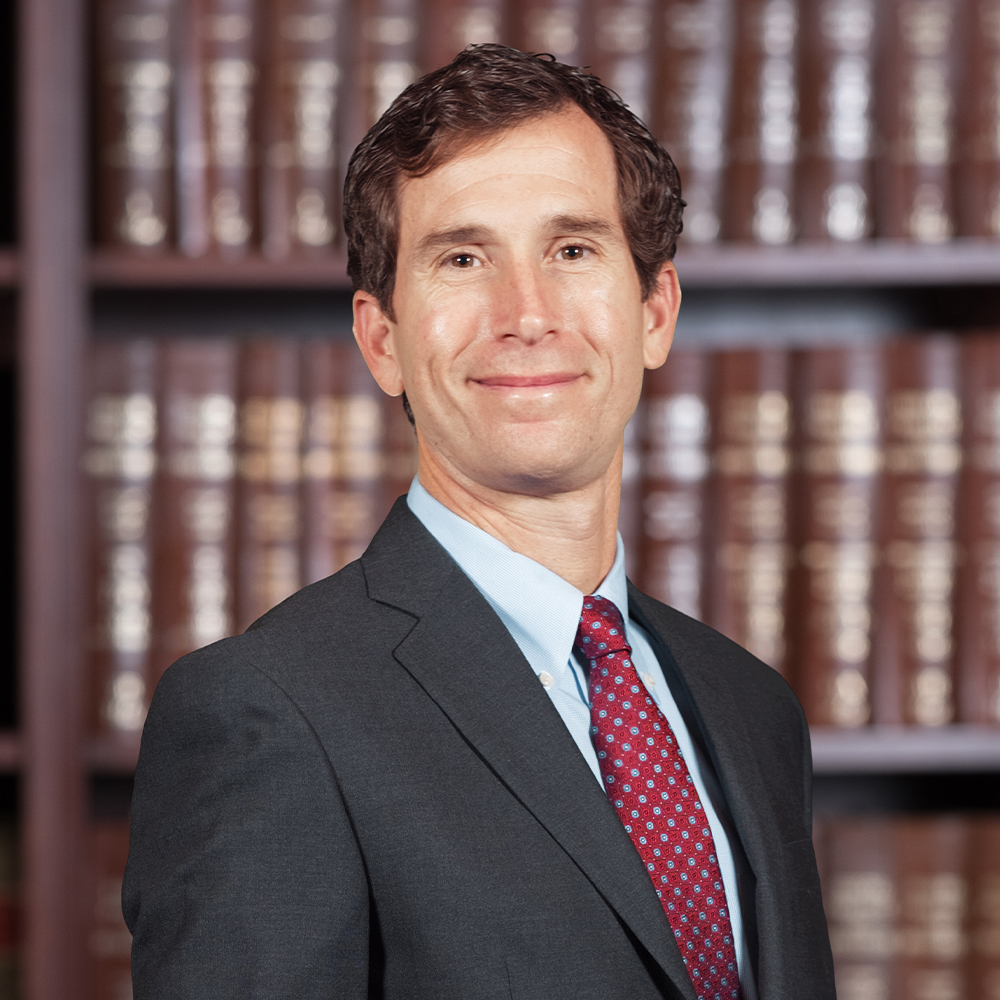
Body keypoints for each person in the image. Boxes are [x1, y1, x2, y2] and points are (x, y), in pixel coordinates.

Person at [124, 45, 834, 1000]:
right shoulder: (268, 713)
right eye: (463, 258)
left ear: (654, 311)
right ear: (383, 341)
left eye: (572, 249)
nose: (526, 313)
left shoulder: (750, 706)